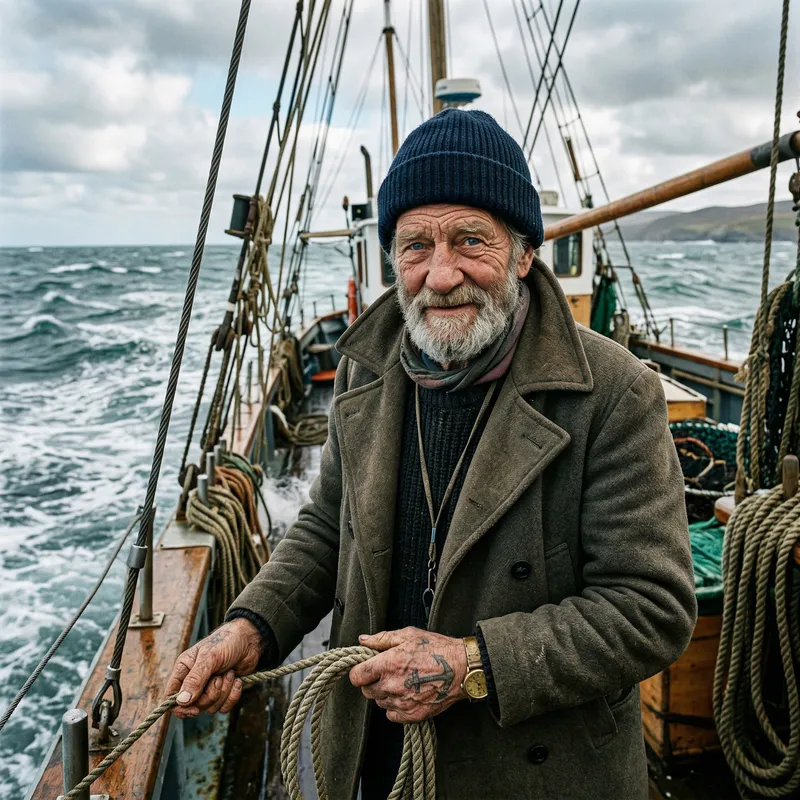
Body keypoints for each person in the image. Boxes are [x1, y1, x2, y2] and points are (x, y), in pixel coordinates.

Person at [166, 109, 697, 799]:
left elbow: (650, 608)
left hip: (535, 769)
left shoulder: (614, 392)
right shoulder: (366, 368)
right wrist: (252, 626)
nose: (440, 276)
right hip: (378, 751)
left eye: (470, 240)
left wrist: (473, 665)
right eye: (416, 246)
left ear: (524, 252)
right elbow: (331, 527)